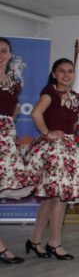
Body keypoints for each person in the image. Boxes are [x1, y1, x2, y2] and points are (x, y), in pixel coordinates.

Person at [25, 58, 79, 260]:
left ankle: (35, 240)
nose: (66, 74)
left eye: (70, 71)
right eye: (61, 71)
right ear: (54, 74)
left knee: (54, 198)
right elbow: (36, 114)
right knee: (58, 197)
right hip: (54, 150)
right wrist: (47, 133)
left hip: (68, 150)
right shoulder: (50, 92)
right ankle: (55, 242)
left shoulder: (75, 96)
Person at [0, 37, 35, 264]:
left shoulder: (13, 81)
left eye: (3, 50)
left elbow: (12, 111)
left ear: (10, 54)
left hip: (5, 137)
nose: (0, 55)